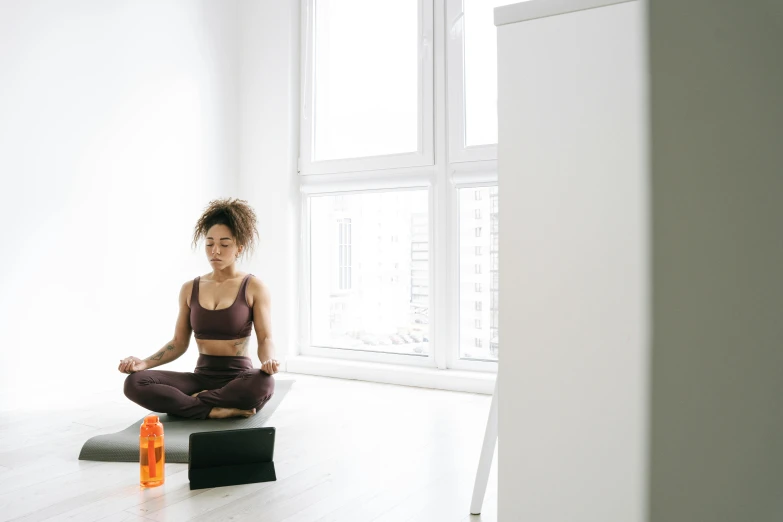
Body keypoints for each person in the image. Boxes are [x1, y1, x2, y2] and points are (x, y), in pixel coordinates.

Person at [120, 198, 280, 420]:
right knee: (135, 382)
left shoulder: (253, 287)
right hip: (201, 376)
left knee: (263, 382)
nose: (215, 251)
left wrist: (268, 362)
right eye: (209, 243)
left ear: (238, 248)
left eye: (224, 244)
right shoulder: (189, 288)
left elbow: (265, 339)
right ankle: (214, 408)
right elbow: (178, 343)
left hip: (238, 377)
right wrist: (144, 363)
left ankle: (191, 403)